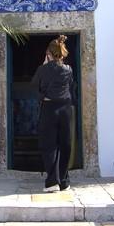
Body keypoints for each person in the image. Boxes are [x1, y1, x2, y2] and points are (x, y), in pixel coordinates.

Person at [31, 35, 75, 193]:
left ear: (48, 54)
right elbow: (70, 87)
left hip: (49, 109)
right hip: (65, 109)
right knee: (65, 145)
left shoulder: (43, 69)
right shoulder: (68, 69)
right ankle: (64, 181)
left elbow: (34, 85)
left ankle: (52, 183)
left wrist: (44, 65)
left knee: (49, 146)